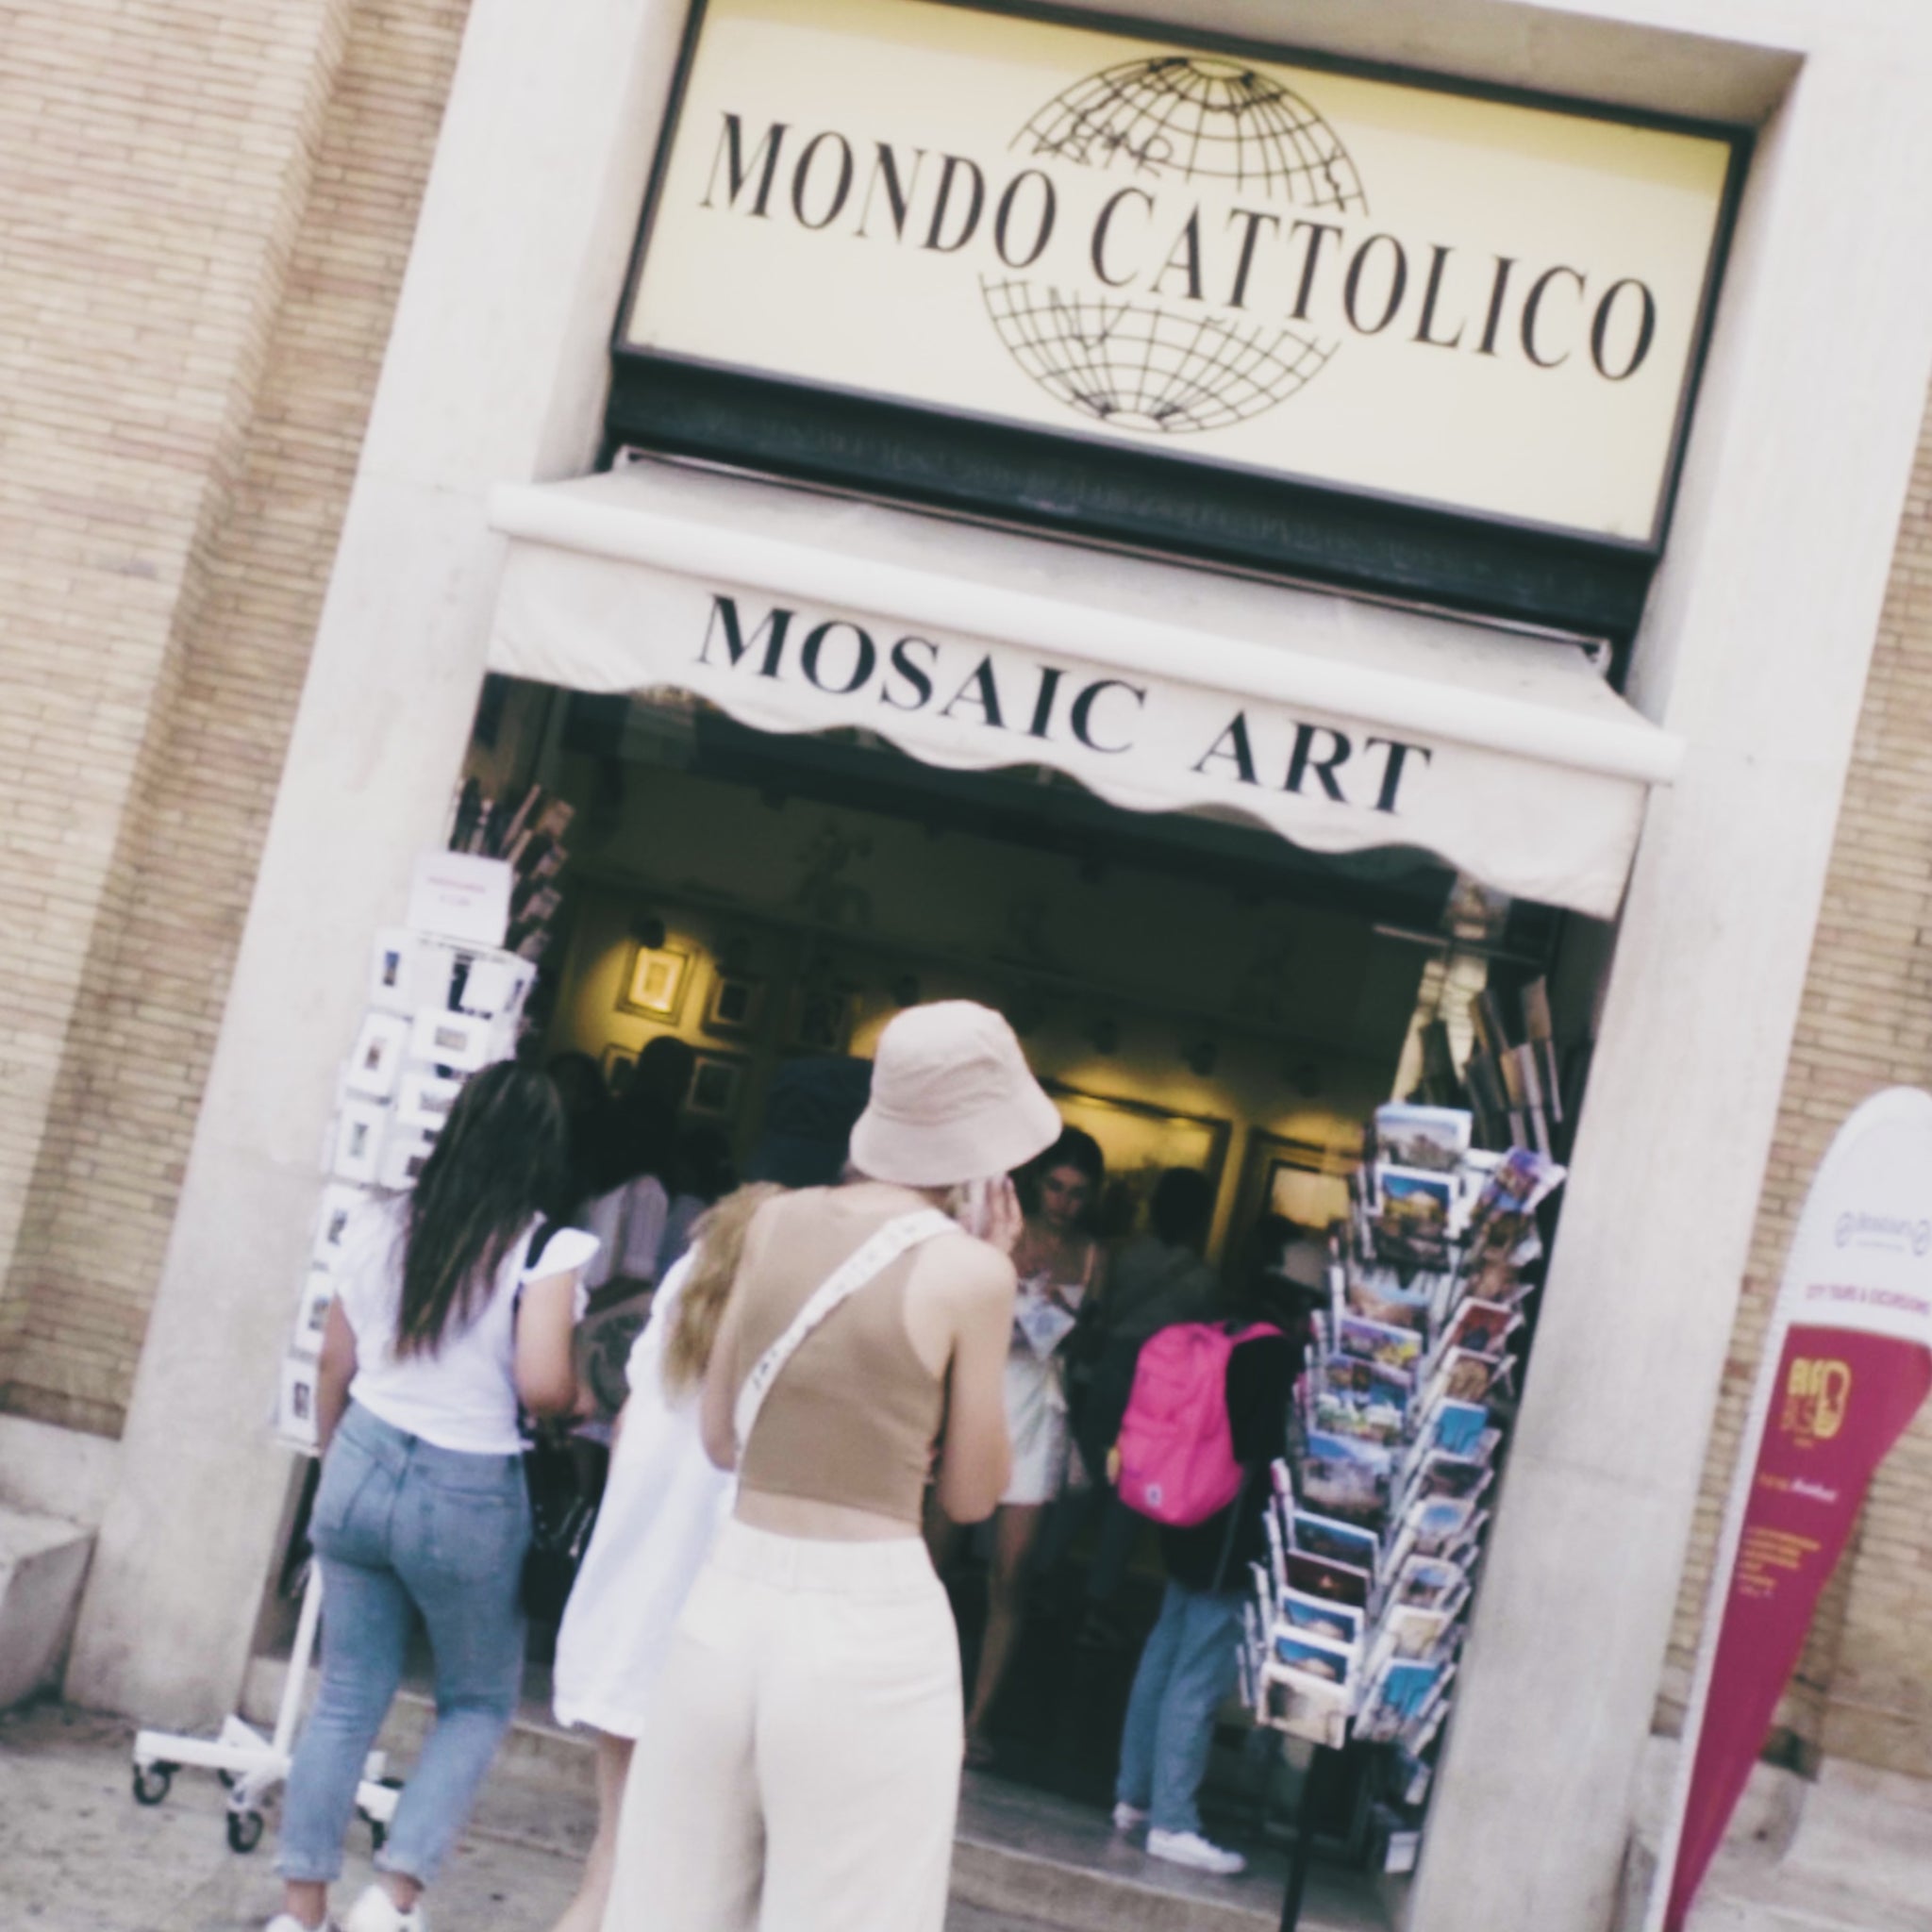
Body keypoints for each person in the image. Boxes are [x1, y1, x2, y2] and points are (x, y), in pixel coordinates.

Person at [603, 1001, 1061, 1932]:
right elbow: (974, 1493)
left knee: (668, 1906)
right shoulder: (971, 1273)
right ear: (983, 1148)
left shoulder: (772, 1223)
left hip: (729, 1597)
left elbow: (721, 1437)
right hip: (869, 1619)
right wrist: (992, 1270)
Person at [542, 1058, 874, 1932]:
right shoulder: (824, 1284)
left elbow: (634, 1424)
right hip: (716, 1627)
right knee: (694, 1896)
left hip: (633, 1601)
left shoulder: (698, 1260)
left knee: (613, 1871)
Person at [268, 1064, 598, 1932]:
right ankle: (392, 1899)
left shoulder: (379, 1220)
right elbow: (543, 1387)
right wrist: (582, 1397)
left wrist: (338, 1463)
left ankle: (300, 1913)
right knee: (477, 1701)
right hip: (468, 1486)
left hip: (361, 1453)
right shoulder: (546, 1250)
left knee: (346, 1695)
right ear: (543, 1152)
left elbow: (333, 1362)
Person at [1110, 1272, 1296, 1878]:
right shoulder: (1272, 1353)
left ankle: (1134, 1798)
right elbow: (1263, 1445)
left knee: (1163, 1656)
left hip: (1185, 1513)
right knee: (1198, 1672)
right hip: (1231, 1530)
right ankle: (1174, 1823)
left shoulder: (1216, 1335)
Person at [942, 1124, 1105, 1766]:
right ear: (1038, 1184)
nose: (1064, 1203)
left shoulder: (1092, 1256)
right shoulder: (1004, 1231)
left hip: (1042, 1403)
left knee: (1011, 1574)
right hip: (982, 1392)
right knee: (936, 1551)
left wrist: (1067, 1318)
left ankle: (975, 1720)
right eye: (1056, 1188)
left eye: (1077, 1193)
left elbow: (1094, 1345)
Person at [1049, 1166, 1223, 1642]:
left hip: (1110, 1375)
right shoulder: (1202, 1280)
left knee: (1082, 1479)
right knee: (1133, 1496)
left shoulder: (1124, 1255)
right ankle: (1098, 1601)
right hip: (1162, 1393)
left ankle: (1041, 1573)